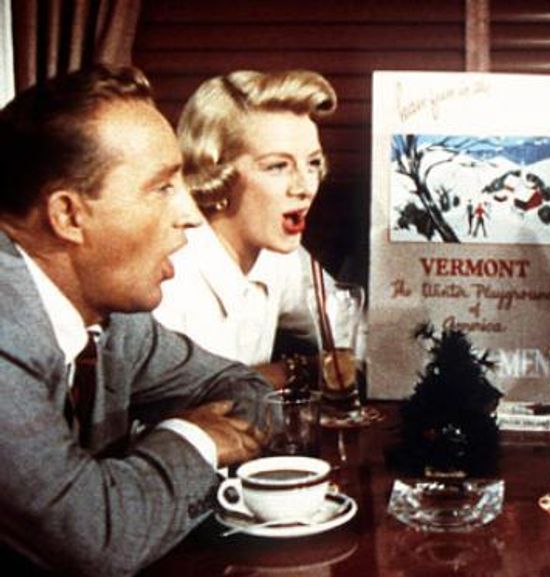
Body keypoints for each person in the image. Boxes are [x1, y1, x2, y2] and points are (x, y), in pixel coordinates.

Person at [0, 65, 270, 576]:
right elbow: (99, 539)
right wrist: (196, 438)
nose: (190, 214)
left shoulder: (113, 321)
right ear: (69, 216)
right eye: (162, 187)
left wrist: (142, 482)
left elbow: (245, 389)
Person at [153, 70, 337, 388]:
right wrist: (293, 371)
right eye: (277, 166)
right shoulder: (167, 279)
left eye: (313, 163)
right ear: (216, 173)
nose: (306, 187)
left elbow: (350, 325)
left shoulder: (278, 253)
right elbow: (186, 402)